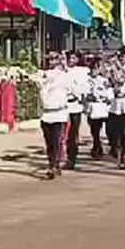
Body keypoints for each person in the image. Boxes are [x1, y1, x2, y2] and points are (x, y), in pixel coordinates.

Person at [35, 52, 72, 180]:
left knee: (56, 142)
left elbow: (68, 86)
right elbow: (39, 82)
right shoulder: (41, 75)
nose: (51, 61)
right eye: (49, 59)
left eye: (54, 59)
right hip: (45, 114)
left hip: (58, 114)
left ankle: (53, 165)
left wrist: (64, 65)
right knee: (49, 143)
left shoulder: (63, 75)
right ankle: (53, 163)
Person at [63, 51, 90, 170]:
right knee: (62, 134)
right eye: (69, 58)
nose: (70, 60)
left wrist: (76, 93)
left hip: (75, 106)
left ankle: (72, 158)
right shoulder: (61, 71)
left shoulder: (83, 71)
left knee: (73, 134)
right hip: (62, 106)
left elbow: (84, 88)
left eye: (73, 58)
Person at [86, 56, 112, 159]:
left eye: (98, 67)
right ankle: (97, 148)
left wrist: (107, 98)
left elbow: (109, 92)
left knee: (109, 129)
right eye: (94, 67)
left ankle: (112, 146)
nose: (96, 70)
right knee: (95, 130)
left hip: (104, 107)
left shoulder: (104, 80)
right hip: (92, 107)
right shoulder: (87, 79)